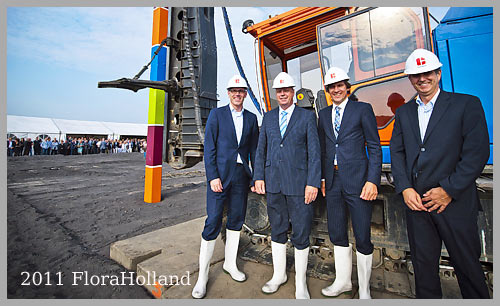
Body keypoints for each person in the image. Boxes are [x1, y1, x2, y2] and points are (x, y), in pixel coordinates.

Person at [390, 49, 490, 299]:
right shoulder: (404, 112)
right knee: (424, 272)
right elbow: (398, 153)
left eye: (427, 73)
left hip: (453, 204)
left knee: (468, 268)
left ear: (438, 73)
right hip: (418, 207)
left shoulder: (466, 104)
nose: (422, 79)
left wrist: (448, 190)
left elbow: (476, 153)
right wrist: (405, 188)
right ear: (410, 79)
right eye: (416, 75)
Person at [253, 72, 321, 299]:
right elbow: (260, 150)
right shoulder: (269, 118)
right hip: (273, 184)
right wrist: (258, 177)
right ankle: (279, 275)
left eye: (286, 90)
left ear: (293, 92)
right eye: (279, 91)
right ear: (276, 94)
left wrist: (313, 182)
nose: (282, 94)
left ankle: (301, 283)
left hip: (299, 185)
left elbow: (314, 152)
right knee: (277, 229)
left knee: (301, 232)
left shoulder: (307, 117)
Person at [191, 75, 259, 299]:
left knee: (236, 221)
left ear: (245, 94)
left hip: (241, 176)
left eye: (241, 91)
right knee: (212, 221)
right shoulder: (217, 115)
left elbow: (254, 151)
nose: (237, 94)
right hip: (219, 177)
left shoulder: (251, 118)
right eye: (233, 91)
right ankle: (202, 276)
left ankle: (230, 264)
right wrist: (212, 176)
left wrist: (256, 176)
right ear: (228, 93)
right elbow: (209, 147)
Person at [317, 67, 382, 299]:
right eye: (332, 87)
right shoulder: (323, 115)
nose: (336, 90)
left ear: (347, 87)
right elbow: (323, 149)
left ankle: (364, 290)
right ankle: (343, 282)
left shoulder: (362, 109)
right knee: (336, 233)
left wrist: (372, 180)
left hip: (358, 182)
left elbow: (374, 147)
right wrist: (323, 179)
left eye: (340, 85)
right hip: (332, 182)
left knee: (363, 235)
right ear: (328, 90)